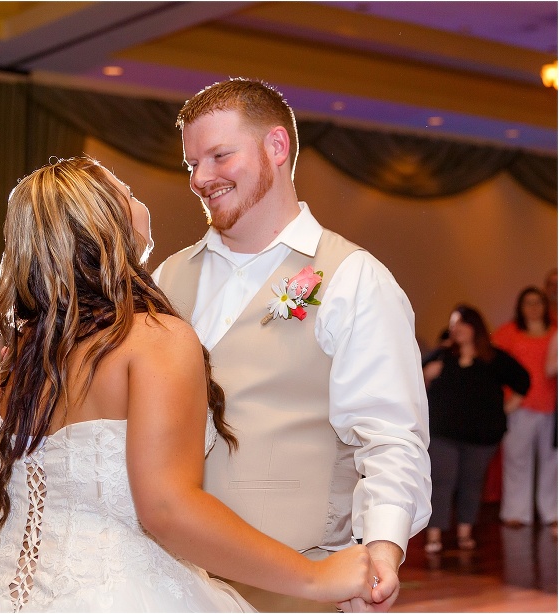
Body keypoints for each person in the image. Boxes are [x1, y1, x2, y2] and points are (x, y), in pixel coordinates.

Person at [0, 157, 381, 612]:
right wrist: (315, 577)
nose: (137, 197)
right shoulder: (152, 340)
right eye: (126, 192)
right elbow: (167, 509)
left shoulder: (22, 355)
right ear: (106, 223)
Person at [152, 78, 431, 612]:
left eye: (219, 155)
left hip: (296, 586)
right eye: (192, 164)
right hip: (174, 582)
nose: (201, 178)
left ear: (276, 148)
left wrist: (382, 549)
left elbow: (391, 435)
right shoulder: (167, 277)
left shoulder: (353, 277)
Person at [422, 305, 529, 554]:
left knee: (471, 482)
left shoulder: (494, 358)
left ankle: (464, 534)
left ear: (475, 327)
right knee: (442, 480)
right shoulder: (442, 356)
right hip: (443, 432)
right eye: (453, 323)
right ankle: (434, 535)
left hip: (482, 436)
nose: (455, 328)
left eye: (461, 323)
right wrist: (427, 375)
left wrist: (507, 408)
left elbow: (523, 379)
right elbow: (413, 382)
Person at [492, 286, 558, 529]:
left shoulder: (555, 332)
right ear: (520, 306)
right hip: (519, 405)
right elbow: (492, 360)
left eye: (538, 302)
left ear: (545, 306)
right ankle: (516, 513)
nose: (533, 308)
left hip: (550, 406)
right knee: (516, 461)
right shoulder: (509, 332)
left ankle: (552, 512)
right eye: (528, 303)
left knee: (552, 463)